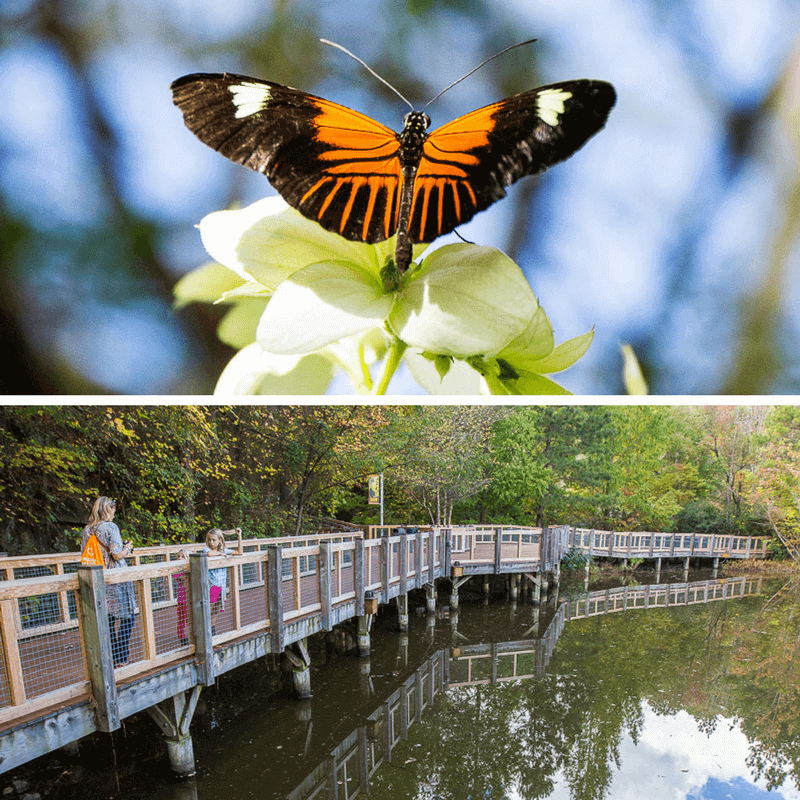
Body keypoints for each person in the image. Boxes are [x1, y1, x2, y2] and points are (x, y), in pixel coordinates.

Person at [81, 496, 136, 667]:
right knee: (129, 616)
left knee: (108, 618)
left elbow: (84, 554)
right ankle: (122, 656)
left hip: (97, 577)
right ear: (108, 509)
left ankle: (113, 657)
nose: (114, 514)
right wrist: (128, 548)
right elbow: (116, 554)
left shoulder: (87, 530)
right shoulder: (110, 527)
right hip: (116, 578)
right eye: (113, 510)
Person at [203, 528, 243, 634]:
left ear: (220, 540)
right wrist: (220, 555)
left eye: (214, 540)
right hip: (213, 585)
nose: (211, 542)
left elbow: (239, 552)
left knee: (216, 609)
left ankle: (212, 630)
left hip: (221, 586)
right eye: (209, 540)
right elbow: (209, 554)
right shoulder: (206, 550)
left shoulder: (224, 550)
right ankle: (206, 632)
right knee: (208, 609)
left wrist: (239, 536)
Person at [174, 548, 191, 648]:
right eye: (178, 556)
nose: (180, 558)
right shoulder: (177, 570)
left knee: (190, 619)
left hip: (190, 599)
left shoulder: (190, 568)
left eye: (182, 556)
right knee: (181, 620)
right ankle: (182, 639)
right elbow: (182, 578)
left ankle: (193, 637)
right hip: (181, 600)